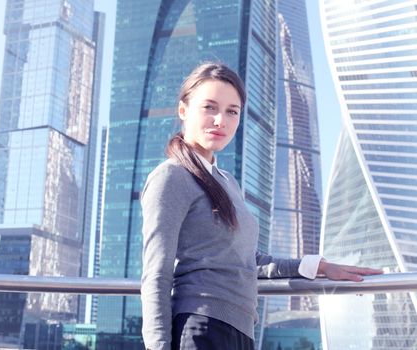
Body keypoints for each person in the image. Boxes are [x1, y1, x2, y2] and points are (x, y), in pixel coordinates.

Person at [140, 62, 383, 350]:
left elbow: (248, 261)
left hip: (241, 329)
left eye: (232, 111)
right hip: (200, 326)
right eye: (209, 107)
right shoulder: (171, 177)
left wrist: (318, 267)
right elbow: (156, 274)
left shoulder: (227, 182)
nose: (221, 120)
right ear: (183, 110)